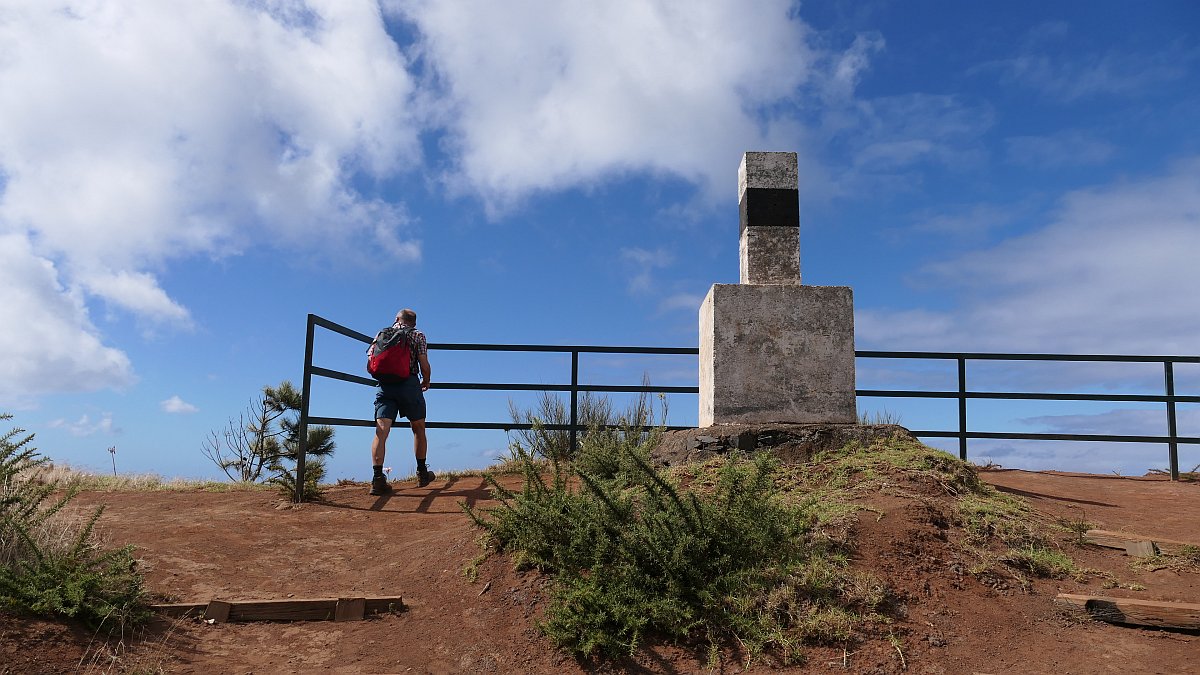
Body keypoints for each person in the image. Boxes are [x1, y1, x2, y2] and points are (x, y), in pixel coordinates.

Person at [367, 308, 433, 495]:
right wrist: (426, 380)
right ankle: (422, 473)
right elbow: (423, 363)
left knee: (381, 431)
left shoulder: (382, 333)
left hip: (385, 385)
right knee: (418, 427)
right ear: (414, 322)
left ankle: (377, 478)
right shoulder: (417, 335)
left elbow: (370, 359)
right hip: (409, 384)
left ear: (397, 319)